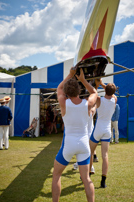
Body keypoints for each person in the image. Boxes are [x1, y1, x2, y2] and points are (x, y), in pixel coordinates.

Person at [52, 68, 97, 202]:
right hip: (84, 144)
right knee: (86, 178)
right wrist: (83, 80)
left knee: (56, 175)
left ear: (67, 92)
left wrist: (70, 75)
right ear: (78, 90)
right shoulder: (87, 104)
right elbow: (94, 92)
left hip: (69, 144)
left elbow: (59, 88)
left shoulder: (63, 103)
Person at [89, 78, 117, 188]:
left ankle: (88, 176)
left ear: (105, 90)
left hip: (98, 129)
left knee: (90, 152)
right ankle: (103, 181)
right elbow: (111, 92)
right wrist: (103, 85)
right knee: (105, 155)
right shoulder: (114, 99)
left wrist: (98, 84)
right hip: (107, 130)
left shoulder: (99, 99)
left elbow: (93, 93)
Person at [73, 103, 97, 174]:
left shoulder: (81, 109)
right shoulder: (92, 109)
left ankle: (88, 168)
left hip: (84, 134)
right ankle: (89, 167)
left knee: (85, 152)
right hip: (88, 134)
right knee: (88, 152)